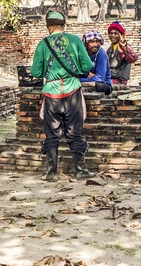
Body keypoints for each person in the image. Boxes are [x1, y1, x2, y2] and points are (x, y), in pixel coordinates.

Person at [30, 11, 95, 182]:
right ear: (64, 25)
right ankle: (80, 170)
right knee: (75, 132)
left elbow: (35, 72)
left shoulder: (43, 44)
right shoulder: (74, 41)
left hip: (52, 94)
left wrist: (50, 71)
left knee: (52, 134)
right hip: (72, 91)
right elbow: (87, 65)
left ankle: (51, 172)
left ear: (48, 26)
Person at [79, 29, 112, 95]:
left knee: (99, 85)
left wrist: (80, 80)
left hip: (103, 84)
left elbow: (99, 78)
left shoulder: (101, 54)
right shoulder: (82, 53)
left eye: (97, 41)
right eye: (92, 42)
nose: (95, 44)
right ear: (87, 43)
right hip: (89, 80)